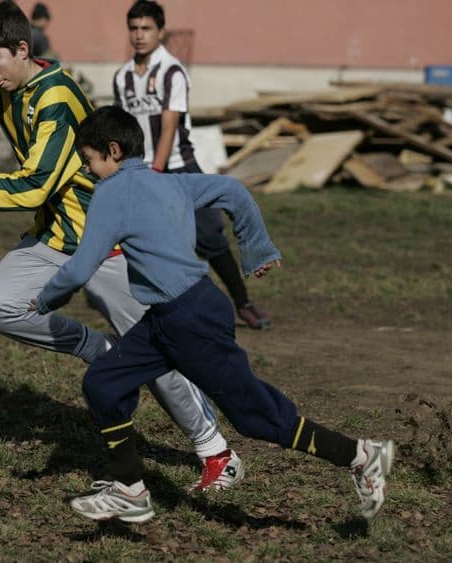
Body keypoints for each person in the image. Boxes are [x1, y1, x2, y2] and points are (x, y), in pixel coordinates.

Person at [0, 0, 244, 492]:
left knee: (159, 348)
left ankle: (217, 451)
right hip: (55, 236)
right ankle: (98, 348)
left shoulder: (56, 101)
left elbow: (29, 189)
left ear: (23, 50)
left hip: (106, 241)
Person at [31, 106, 394, 523]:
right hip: (173, 315)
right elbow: (234, 190)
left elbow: (80, 266)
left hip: (189, 320)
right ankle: (130, 489)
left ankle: (361, 455)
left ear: (112, 151)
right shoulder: (169, 183)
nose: (89, 169)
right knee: (103, 382)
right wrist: (255, 247)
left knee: (255, 416)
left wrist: (43, 302)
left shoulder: (112, 193)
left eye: (90, 159)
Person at [113, 0, 270, 330]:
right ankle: (161, 312)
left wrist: (155, 174)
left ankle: (243, 303)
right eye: (134, 28)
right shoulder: (122, 77)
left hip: (177, 168)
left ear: (160, 31)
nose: (139, 35)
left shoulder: (172, 72)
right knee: (147, 243)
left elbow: (169, 127)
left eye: (146, 28)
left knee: (209, 237)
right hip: (141, 171)